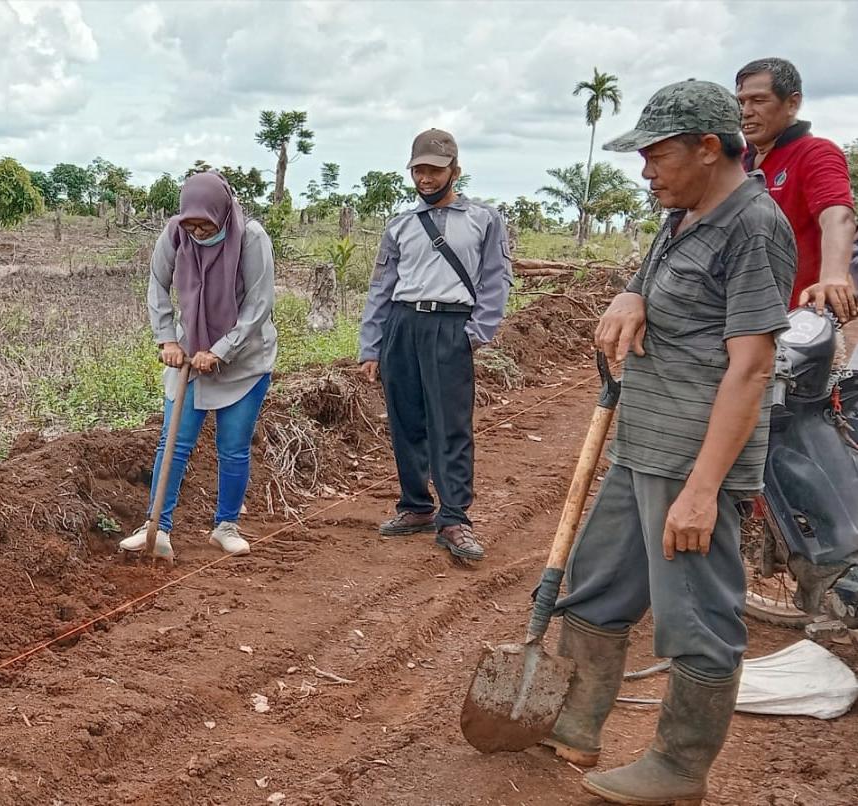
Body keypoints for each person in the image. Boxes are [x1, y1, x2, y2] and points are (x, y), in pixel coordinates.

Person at [542, 81, 796, 805]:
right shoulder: (682, 214)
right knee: (594, 587)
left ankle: (680, 767)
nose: (645, 172)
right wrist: (631, 292)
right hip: (640, 442)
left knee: (695, 616)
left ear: (708, 148)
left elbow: (750, 366)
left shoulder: (753, 226)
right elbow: (654, 285)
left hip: (691, 456)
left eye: (656, 157)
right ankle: (573, 719)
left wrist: (703, 490)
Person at [358, 129, 512, 561]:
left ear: (454, 171)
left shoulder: (484, 219)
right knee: (406, 421)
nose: (425, 178)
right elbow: (381, 287)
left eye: (434, 170)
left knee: (451, 425)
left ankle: (455, 517)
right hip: (402, 327)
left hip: (451, 326)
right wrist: (371, 345)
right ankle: (415, 506)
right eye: (418, 170)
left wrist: (478, 331)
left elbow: (496, 279)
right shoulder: (400, 225)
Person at [118, 171, 276, 560]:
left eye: (206, 223)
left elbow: (258, 304)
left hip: (244, 359)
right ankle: (156, 526)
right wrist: (167, 339)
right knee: (173, 441)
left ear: (221, 212)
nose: (199, 231)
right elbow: (158, 285)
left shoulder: (251, 237)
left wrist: (222, 349)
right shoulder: (174, 234)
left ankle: (225, 526)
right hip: (190, 355)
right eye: (191, 224)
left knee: (233, 447)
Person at [736, 57, 856, 322]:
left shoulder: (815, 153)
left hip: (798, 320)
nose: (746, 111)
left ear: (792, 103)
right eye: (741, 101)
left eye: (758, 100)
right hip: (741, 317)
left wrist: (833, 277)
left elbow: (838, 217)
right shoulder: (736, 163)